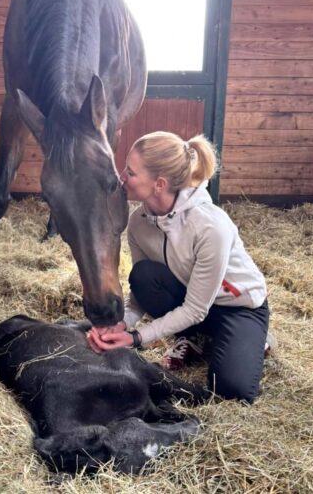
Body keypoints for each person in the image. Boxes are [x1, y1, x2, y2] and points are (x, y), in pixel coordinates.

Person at [86, 131, 270, 404]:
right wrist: (121, 325)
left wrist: (136, 338)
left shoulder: (210, 227)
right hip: (192, 300)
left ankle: (253, 339)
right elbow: (141, 292)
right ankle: (192, 337)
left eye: (131, 172)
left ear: (159, 184)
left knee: (233, 392)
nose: (122, 177)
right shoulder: (138, 222)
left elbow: (195, 309)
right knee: (143, 276)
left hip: (237, 307)